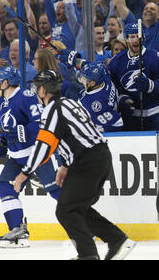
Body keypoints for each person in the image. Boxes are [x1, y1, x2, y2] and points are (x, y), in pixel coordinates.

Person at [12, 69, 135, 260]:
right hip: (98, 157)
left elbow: (44, 146)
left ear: (44, 90)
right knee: (77, 208)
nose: (35, 92)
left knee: (66, 210)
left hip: (87, 161)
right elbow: (75, 136)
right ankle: (117, 240)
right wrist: (65, 165)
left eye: (37, 87)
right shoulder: (70, 103)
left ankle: (88, 255)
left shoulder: (52, 109)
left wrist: (24, 173)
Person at [0, 66, 61, 248]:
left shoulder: (25, 96)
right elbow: (6, 129)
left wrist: (25, 131)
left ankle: (85, 219)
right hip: (17, 156)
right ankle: (17, 229)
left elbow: (40, 121)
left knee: (54, 189)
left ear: (6, 82)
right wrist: (0, 141)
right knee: (4, 186)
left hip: (36, 153)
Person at [107, 22, 159, 131]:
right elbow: (112, 88)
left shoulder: (156, 57)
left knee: (158, 147)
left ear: (143, 38)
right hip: (130, 116)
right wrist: (121, 98)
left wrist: (150, 86)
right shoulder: (116, 61)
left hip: (155, 115)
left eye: (138, 36)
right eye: (132, 37)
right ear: (126, 39)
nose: (135, 40)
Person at [77, 61, 124, 132]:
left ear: (92, 83)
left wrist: (100, 128)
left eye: (84, 79)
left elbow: (118, 123)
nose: (81, 80)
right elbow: (96, 67)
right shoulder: (105, 78)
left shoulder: (93, 103)